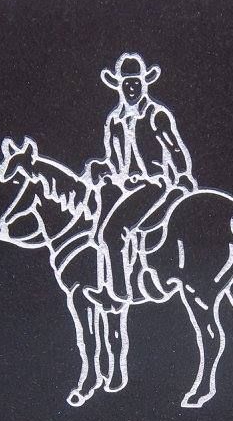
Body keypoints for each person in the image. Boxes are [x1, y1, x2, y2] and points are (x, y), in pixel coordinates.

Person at [84, 53, 196, 312]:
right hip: (125, 188)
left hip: (153, 186)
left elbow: (175, 149)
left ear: (144, 83)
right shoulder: (114, 120)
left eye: (136, 82)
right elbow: (113, 161)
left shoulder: (156, 115)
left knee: (112, 232)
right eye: (126, 83)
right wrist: (101, 169)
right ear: (119, 86)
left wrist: (182, 177)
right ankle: (109, 283)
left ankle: (118, 295)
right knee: (97, 229)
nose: (131, 87)